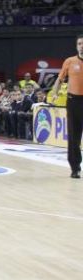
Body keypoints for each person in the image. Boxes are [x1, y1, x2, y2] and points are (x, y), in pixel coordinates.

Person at [51, 35, 83, 179]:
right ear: (76, 46)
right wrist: (54, 93)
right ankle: (75, 167)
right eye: (80, 43)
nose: (82, 46)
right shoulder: (69, 61)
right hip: (74, 102)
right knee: (73, 136)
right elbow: (59, 79)